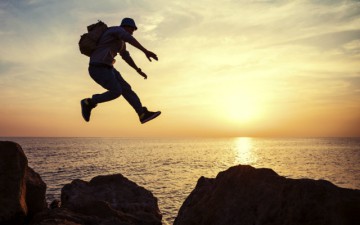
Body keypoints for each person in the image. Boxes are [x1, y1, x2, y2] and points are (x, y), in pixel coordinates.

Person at [80, 18, 161, 124]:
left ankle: (142, 114)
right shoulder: (115, 30)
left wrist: (138, 70)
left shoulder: (120, 42)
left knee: (127, 89)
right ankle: (89, 102)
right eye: (132, 29)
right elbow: (128, 37)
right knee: (116, 91)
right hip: (97, 68)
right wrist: (145, 51)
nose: (132, 32)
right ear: (125, 26)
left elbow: (126, 56)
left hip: (109, 69)